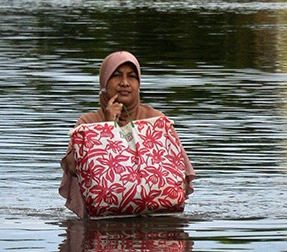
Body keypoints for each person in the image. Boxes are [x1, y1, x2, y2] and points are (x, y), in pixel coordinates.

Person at [59, 51, 195, 218]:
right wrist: (107, 127)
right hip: (102, 220)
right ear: (104, 82)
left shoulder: (156, 121)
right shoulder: (88, 123)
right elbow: (73, 167)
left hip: (155, 218)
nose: (124, 83)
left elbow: (179, 170)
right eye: (116, 76)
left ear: (139, 83)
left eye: (131, 76)